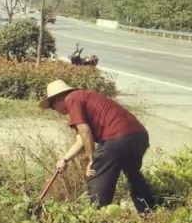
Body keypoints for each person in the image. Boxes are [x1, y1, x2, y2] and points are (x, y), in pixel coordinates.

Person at [40, 80, 157, 213]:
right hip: (138, 137)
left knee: (98, 179)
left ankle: (97, 216)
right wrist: (65, 159)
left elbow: (85, 130)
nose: (54, 110)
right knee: (133, 175)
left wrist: (92, 160)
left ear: (58, 98)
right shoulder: (83, 97)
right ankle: (149, 212)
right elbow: (81, 141)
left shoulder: (71, 98)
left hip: (117, 138)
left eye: (52, 106)